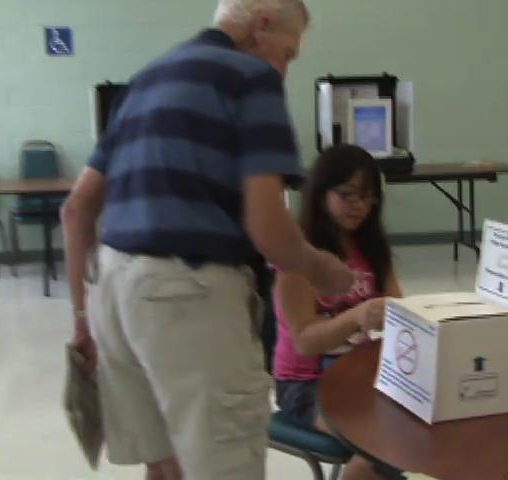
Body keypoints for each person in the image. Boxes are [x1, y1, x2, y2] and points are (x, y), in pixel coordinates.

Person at [59, 1, 357, 479]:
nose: (283, 71)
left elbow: (76, 211)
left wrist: (80, 323)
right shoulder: (250, 77)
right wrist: (323, 269)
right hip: (189, 296)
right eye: (288, 54)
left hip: (113, 293)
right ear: (261, 26)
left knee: (164, 464)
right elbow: (269, 230)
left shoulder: (145, 80)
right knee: (226, 465)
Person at [273, 144, 403, 480]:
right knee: (381, 442)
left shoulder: (371, 247)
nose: (360, 205)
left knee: (423, 423)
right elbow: (303, 342)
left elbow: (401, 308)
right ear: (320, 193)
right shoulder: (298, 256)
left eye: (369, 197)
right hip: (306, 384)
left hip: (362, 374)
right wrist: (358, 317)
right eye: (349, 194)